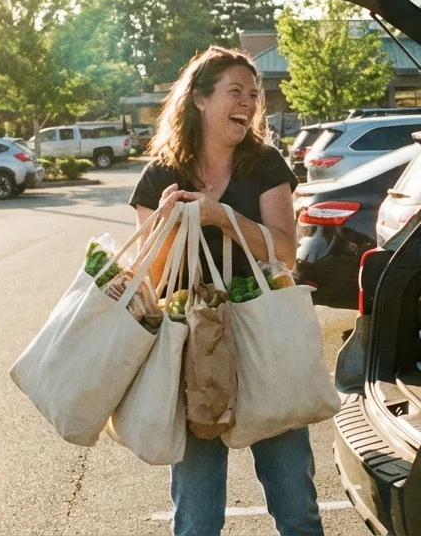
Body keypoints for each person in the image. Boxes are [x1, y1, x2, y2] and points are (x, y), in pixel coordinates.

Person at [130, 47, 319, 536]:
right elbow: (150, 278)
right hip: (195, 347)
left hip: (264, 337)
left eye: (254, 94)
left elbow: (285, 252)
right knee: (196, 516)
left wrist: (223, 217)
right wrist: (171, 225)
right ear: (199, 100)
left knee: (296, 507)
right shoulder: (160, 176)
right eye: (235, 91)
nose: (249, 103)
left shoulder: (265, 164)